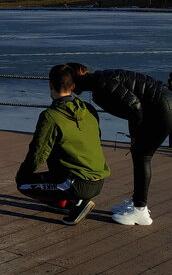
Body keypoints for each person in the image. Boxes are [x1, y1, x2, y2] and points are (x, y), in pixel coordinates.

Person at [67, 63, 172, 226]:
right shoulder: (100, 81)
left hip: (164, 109)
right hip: (161, 106)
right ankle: (137, 202)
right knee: (139, 154)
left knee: (143, 156)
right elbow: (132, 108)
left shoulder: (102, 84)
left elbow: (134, 108)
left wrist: (135, 135)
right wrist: (134, 135)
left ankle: (140, 210)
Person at [15, 63, 109, 225]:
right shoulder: (89, 109)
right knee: (60, 154)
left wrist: (23, 174)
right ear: (73, 85)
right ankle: (63, 203)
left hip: (78, 184)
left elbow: (38, 152)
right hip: (99, 179)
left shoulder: (50, 116)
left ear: (50, 84)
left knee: (23, 184)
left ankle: (76, 204)